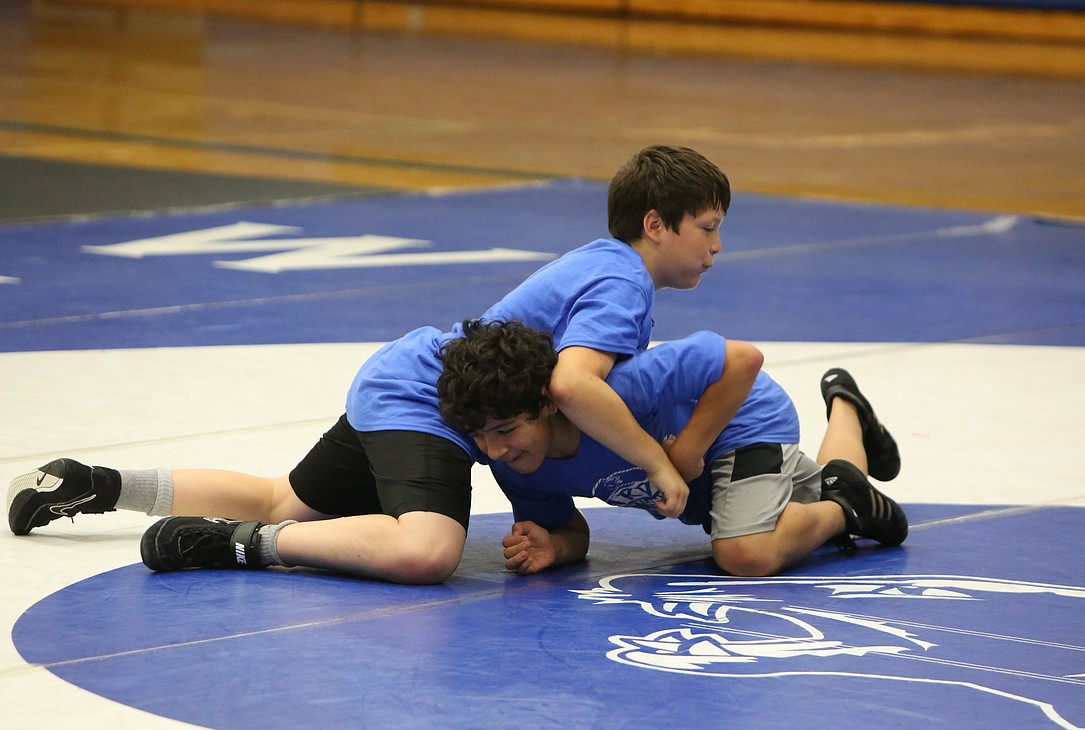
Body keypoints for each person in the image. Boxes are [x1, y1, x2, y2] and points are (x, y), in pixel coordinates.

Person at [6, 145, 732, 584]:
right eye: (707, 228)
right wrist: (663, 466)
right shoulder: (622, 279)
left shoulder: (603, 266)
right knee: (427, 551)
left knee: (285, 500)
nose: (716, 246)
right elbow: (573, 387)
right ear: (655, 225)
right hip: (431, 399)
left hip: (412, 377)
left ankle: (95, 485)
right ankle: (237, 547)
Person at [437, 319, 906, 577]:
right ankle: (848, 407)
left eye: (504, 430)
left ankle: (845, 507)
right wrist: (553, 547)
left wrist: (683, 453)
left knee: (745, 553)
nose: (492, 451)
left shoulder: (621, 389)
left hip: (740, 424)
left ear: (547, 404)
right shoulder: (519, 465)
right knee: (820, 482)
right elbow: (574, 538)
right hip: (709, 482)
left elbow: (740, 359)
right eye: (479, 436)